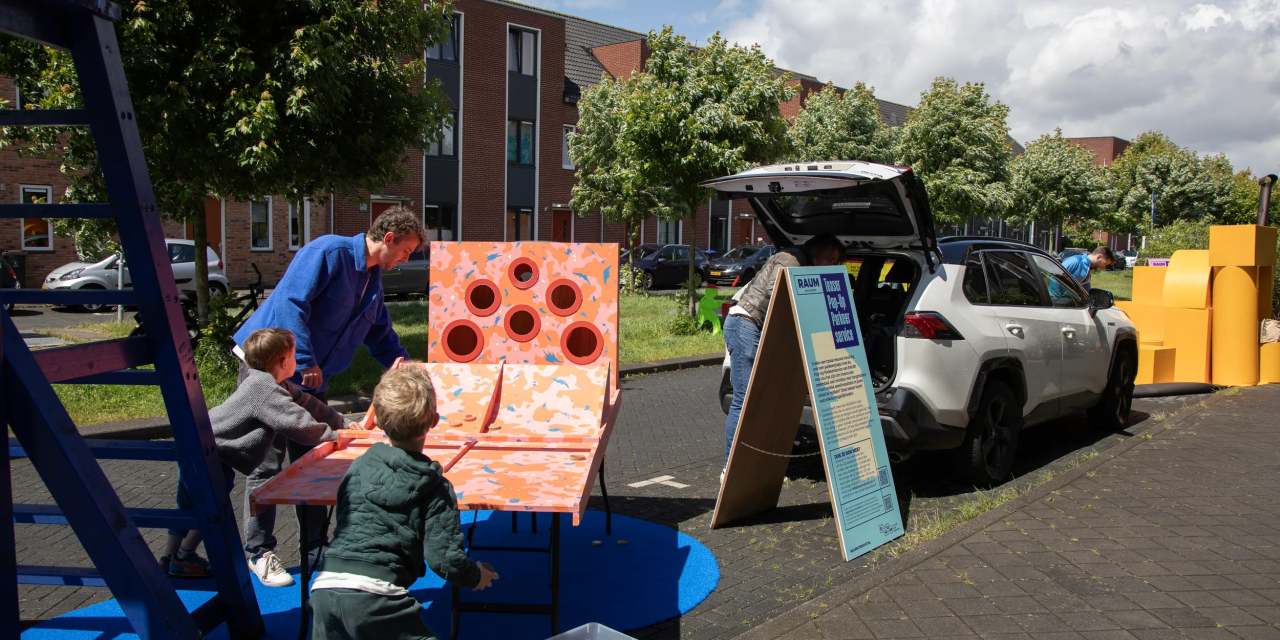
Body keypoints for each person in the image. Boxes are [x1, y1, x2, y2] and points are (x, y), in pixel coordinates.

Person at [232, 206, 423, 587]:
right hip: (271, 367)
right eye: (406, 250)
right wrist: (303, 359)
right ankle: (259, 551)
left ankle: (317, 547)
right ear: (388, 238)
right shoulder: (329, 252)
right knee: (267, 461)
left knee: (318, 460)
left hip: (308, 373)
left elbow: (378, 331)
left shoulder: (371, 281)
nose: (406, 258)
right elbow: (290, 303)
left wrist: (402, 362)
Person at [310, 366, 499, 640]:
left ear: (380, 421)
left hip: (325, 588)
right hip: (376, 598)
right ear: (434, 420)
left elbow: (346, 520)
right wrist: (475, 575)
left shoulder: (357, 467)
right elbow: (445, 559)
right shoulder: (435, 487)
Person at [158, 328, 353, 577]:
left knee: (191, 504)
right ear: (284, 362)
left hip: (202, 446)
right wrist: (336, 437)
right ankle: (182, 557)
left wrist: (343, 423)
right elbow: (298, 425)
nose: (297, 359)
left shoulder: (273, 383)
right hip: (210, 452)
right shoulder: (265, 390)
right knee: (207, 506)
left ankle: (171, 556)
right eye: (294, 355)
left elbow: (310, 405)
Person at [721, 233, 847, 477]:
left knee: (759, 399)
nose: (832, 265)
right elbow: (776, 293)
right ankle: (730, 468)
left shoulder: (802, 263)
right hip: (746, 324)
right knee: (744, 400)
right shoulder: (791, 259)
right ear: (818, 252)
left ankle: (752, 464)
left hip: (755, 327)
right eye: (830, 259)